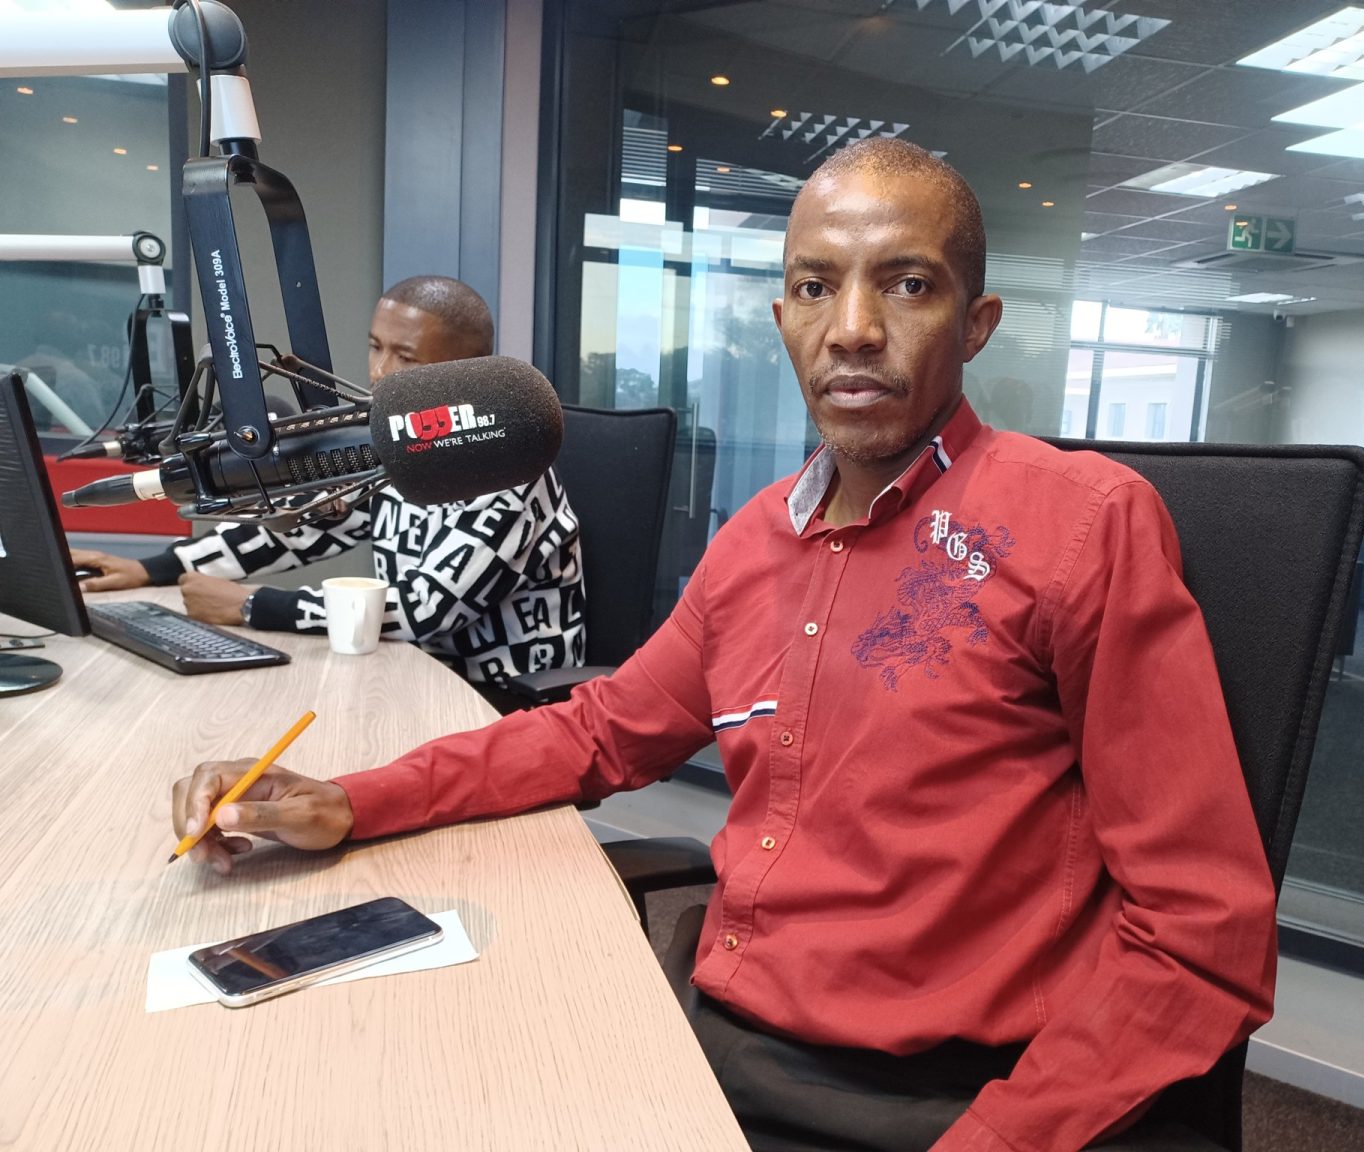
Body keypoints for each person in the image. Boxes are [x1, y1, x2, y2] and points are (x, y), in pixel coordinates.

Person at [170, 142, 1275, 1152]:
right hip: (730, 1047)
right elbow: (601, 733)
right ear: (783, 317)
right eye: (812, 287)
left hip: (964, 1096)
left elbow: (1200, 933)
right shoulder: (756, 543)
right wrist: (353, 800)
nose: (851, 326)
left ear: (974, 324)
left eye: (907, 283)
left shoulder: (1082, 525)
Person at [75, 276, 584, 700]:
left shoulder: (507, 469)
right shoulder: (396, 444)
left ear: (466, 371)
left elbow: (428, 608)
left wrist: (253, 606)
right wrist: (154, 568)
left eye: (406, 358)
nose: (381, 373)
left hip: (503, 703)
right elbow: (301, 530)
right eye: (375, 346)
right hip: (412, 678)